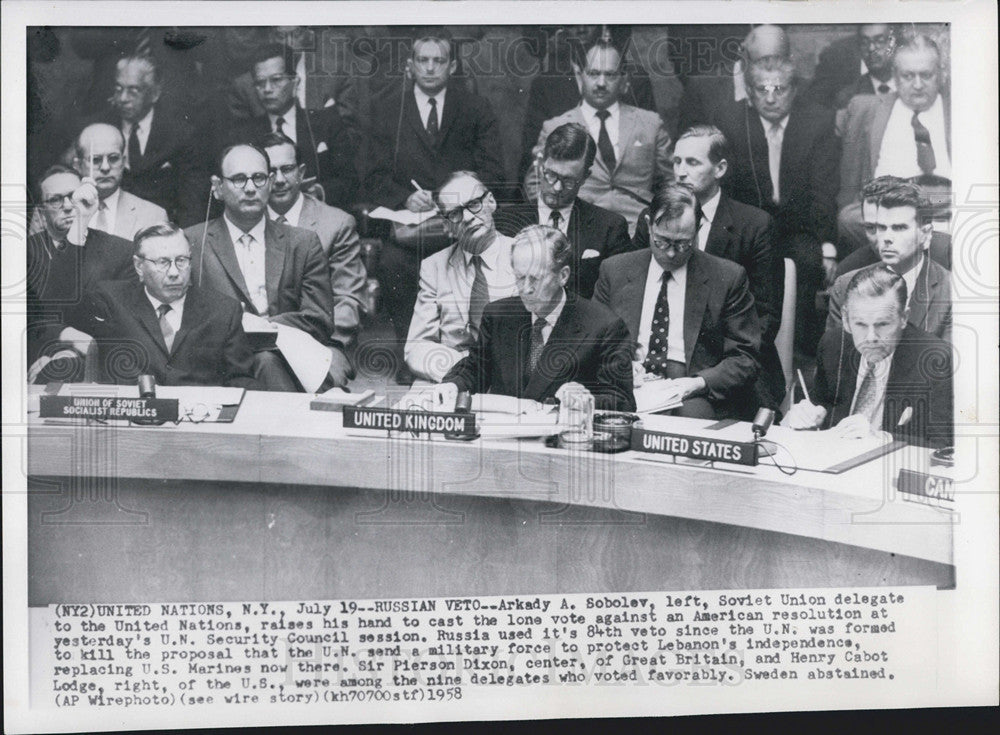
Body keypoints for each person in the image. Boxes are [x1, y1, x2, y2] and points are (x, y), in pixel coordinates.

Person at [633, 125, 784, 409]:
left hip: (724, 371)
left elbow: (765, 319)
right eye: (676, 161)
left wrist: (705, 373)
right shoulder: (653, 219)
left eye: (692, 162)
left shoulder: (754, 226)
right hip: (653, 368)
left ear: (720, 168)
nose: (680, 171)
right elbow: (635, 295)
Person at [593, 183, 761, 419]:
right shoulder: (615, 270)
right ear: (649, 225)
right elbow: (594, 342)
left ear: (698, 229)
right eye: (662, 241)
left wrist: (699, 383)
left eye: (683, 244)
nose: (671, 253)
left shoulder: (727, 278)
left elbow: (746, 358)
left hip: (693, 392)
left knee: (693, 419)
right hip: (630, 386)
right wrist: (619, 366)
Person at [712, 54, 840, 354]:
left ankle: (800, 354)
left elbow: (824, 189)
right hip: (748, 225)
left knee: (809, 265)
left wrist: (828, 245)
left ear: (793, 91)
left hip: (798, 226)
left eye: (779, 89)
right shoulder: (730, 122)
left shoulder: (817, 122)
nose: (770, 98)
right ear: (750, 92)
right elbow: (726, 186)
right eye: (761, 89)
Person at [184, 143, 335, 391]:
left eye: (259, 178)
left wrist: (260, 328)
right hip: (215, 365)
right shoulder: (191, 242)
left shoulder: (303, 243)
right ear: (218, 187)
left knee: (266, 362)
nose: (251, 188)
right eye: (239, 180)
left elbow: (319, 318)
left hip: (289, 361)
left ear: (271, 181)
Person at [439, 225, 636, 411]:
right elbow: (476, 369)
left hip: (561, 440)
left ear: (563, 276)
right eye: (519, 277)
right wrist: (453, 386)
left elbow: (622, 401)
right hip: (504, 438)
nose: (525, 289)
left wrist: (585, 399)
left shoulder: (604, 326)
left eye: (535, 279)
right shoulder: (498, 315)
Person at [784, 265, 952, 448]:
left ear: (904, 317)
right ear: (846, 320)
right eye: (861, 325)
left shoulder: (935, 359)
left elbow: (941, 445)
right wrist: (803, 418)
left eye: (882, 324)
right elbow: (820, 411)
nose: (871, 338)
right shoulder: (833, 345)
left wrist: (881, 438)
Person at [79, 223, 258, 388]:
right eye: (162, 262)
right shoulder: (111, 300)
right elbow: (59, 297)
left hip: (200, 416)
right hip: (135, 413)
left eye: (181, 260)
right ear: (139, 266)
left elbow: (241, 379)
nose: (174, 273)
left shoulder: (224, 310)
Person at [529, 39, 672, 235]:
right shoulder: (555, 127)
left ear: (623, 79)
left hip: (639, 231)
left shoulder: (650, 124)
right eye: (594, 74)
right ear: (580, 77)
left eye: (610, 75)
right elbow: (536, 184)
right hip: (579, 228)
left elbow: (671, 183)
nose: (601, 83)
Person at [262, 132, 366, 386]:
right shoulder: (248, 220)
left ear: (301, 171)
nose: (279, 180)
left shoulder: (336, 224)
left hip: (320, 342)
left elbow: (348, 300)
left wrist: (320, 347)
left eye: (287, 169)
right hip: (259, 343)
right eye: (269, 171)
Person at [363, 30, 505, 211]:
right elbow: (374, 178)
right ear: (411, 66)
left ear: (452, 67)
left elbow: (493, 173)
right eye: (422, 60)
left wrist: (448, 197)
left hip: (463, 215)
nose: (430, 68)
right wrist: (405, 198)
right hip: (407, 222)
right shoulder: (388, 111)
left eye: (438, 61)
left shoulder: (476, 108)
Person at [405, 172, 519, 382]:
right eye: (455, 213)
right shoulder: (434, 267)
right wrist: (463, 369)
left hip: (511, 380)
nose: (467, 218)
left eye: (474, 204)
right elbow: (416, 346)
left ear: (491, 202)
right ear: (446, 224)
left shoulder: (524, 255)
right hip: (452, 377)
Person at [839, 35, 950, 248]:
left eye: (926, 75)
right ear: (895, 77)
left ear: (940, 75)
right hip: (886, 211)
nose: (918, 85)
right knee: (848, 218)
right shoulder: (868, 109)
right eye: (908, 76)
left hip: (944, 209)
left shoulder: (960, 109)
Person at [495, 122, 631, 298]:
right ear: (541, 165)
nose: (557, 188)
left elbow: (618, 296)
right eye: (551, 175)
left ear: (585, 177)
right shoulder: (503, 223)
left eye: (568, 181)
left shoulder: (610, 228)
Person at [26, 165, 134, 383]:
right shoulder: (20, 254)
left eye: (73, 197)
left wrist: (78, 229)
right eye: (55, 199)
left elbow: (125, 325)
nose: (68, 206)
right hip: (37, 365)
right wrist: (63, 341)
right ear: (40, 210)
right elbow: (24, 320)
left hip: (103, 371)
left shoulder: (121, 251)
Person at [518, 25, 658, 180]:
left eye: (590, 22)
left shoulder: (634, 80)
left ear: (604, 26)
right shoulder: (546, 85)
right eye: (573, 23)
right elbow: (532, 162)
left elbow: (653, 153)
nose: (581, 29)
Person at [230, 43, 359, 210]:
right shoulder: (244, 135)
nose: (267, 89)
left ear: (295, 82)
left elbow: (350, 180)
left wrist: (319, 191)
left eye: (276, 80)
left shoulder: (325, 123)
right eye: (260, 83)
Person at [826, 182, 951, 342]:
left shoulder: (952, 292)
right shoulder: (845, 285)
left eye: (899, 228)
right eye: (881, 228)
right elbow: (837, 360)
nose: (886, 238)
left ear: (925, 235)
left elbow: (951, 363)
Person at [102, 55, 209, 227]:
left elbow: (193, 202)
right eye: (118, 88)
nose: (122, 98)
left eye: (133, 90)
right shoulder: (102, 128)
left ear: (154, 94)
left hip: (164, 231)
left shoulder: (181, 135)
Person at [677, 24, 789, 133]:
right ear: (742, 53)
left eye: (777, 65)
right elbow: (688, 147)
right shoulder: (701, 90)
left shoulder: (800, 88)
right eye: (759, 64)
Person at [835, 175, 951, 277]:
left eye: (898, 227)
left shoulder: (950, 256)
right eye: (871, 227)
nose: (883, 238)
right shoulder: (849, 271)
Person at [804, 24, 900, 112]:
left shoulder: (910, 86)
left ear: (893, 44)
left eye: (880, 41)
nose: (871, 48)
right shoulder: (847, 98)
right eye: (864, 43)